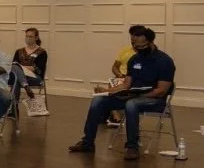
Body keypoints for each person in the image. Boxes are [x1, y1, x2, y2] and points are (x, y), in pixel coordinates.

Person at [68, 27, 175, 160]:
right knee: (98, 101)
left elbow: (162, 90)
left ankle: (132, 147)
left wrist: (139, 95)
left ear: (150, 42)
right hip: (133, 95)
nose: (137, 48)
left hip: (154, 100)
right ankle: (87, 142)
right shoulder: (134, 59)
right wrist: (106, 91)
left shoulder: (164, 61)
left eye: (141, 46)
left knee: (131, 104)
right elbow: (126, 85)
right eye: (134, 45)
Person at [11, 27, 49, 116]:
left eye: (31, 36)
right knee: (16, 76)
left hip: (35, 78)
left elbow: (36, 68)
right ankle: (25, 86)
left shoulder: (42, 52)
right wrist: (20, 68)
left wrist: (20, 67)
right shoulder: (19, 51)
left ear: (36, 37)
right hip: (21, 78)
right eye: (27, 36)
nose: (28, 38)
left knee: (16, 77)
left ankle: (13, 109)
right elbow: (13, 66)